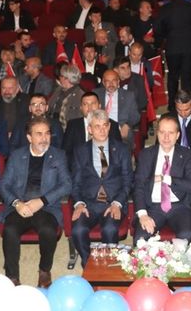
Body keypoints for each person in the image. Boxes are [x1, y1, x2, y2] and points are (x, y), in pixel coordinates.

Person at [0, 118, 71, 287]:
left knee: (48, 231)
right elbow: (4, 185)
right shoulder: (17, 156)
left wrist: (42, 201)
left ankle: (44, 270)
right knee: (9, 230)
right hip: (21, 205)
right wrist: (17, 203)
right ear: (29, 137)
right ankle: (12, 276)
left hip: (46, 207)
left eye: (47, 133)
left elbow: (67, 184)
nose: (44, 138)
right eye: (39, 134)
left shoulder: (58, 155)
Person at [70, 109, 133, 267]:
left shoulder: (122, 149)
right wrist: (79, 204)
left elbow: (128, 181)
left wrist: (117, 203)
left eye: (105, 125)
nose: (102, 130)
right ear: (89, 129)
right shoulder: (80, 151)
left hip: (113, 202)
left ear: (109, 126)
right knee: (78, 230)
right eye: (97, 126)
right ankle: (88, 263)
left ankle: (108, 266)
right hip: (89, 203)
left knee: (109, 229)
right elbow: (75, 183)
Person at [133, 115, 191, 241]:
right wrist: (143, 214)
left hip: (179, 207)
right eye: (162, 132)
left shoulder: (186, 155)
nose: (166, 137)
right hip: (153, 207)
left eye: (171, 133)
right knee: (141, 238)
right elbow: (138, 186)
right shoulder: (146, 155)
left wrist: (166, 179)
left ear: (178, 135)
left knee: (186, 235)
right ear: (157, 133)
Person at [154, 0, 191, 110]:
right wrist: (188, 30)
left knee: (173, 77)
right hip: (189, 47)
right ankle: (186, 105)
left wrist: (168, 34)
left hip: (172, 47)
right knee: (187, 78)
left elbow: (157, 28)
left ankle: (172, 106)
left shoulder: (165, 8)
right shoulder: (190, 6)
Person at [94, 70, 140, 144]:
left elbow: (136, 116)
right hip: (100, 131)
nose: (111, 84)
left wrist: (127, 125)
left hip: (120, 132)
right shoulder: (96, 94)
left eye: (114, 80)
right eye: (108, 81)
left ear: (118, 81)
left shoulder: (128, 95)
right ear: (103, 82)